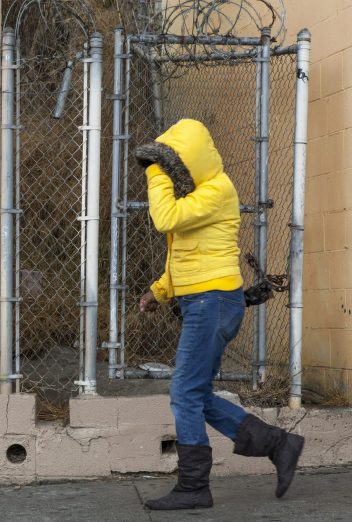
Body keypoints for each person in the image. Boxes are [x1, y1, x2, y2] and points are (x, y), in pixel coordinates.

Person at [135, 119, 304, 510]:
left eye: (171, 163)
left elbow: (165, 219)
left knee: (184, 393)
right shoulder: (200, 194)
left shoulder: (218, 189)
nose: (165, 172)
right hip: (205, 300)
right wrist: (159, 292)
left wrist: (157, 173)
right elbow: (187, 255)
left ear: (187, 161)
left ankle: (194, 486)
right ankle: (279, 445)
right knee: (195, 394)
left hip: (213, 302)